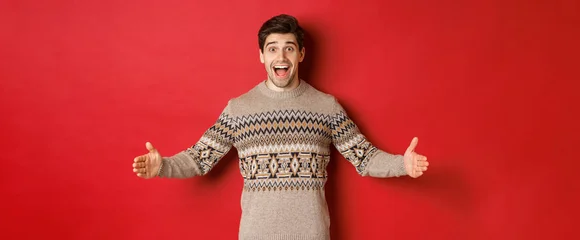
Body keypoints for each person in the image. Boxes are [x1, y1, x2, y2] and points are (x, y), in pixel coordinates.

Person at [132, 14, 429, 240]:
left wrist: (403, 163)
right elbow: (199, 158)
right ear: (262, 56)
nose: (281, 56)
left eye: (289, 48)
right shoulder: (239, 109)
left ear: (300, 54)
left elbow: (364, 158)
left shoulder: (326, 106)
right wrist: (163, 166)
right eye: (272, 49)